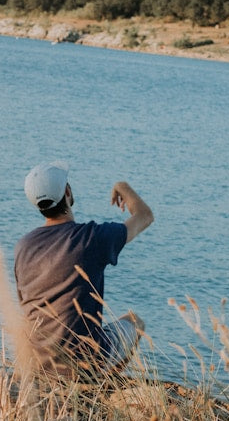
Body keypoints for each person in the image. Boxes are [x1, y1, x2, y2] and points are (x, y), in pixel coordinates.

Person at [14, 160, 153, 380]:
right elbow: (145, 216)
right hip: (86, 361)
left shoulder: (23, 246)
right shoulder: (91, 238)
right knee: (135, 321)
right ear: (67, 192)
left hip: (37, 361)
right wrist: (122, 186)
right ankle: (101, 385)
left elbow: (26, 306)